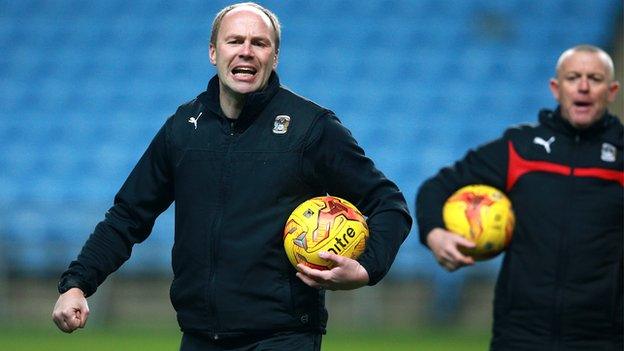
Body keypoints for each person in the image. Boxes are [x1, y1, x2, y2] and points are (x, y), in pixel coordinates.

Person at [51, 2, 412, 350]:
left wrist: (365, 269)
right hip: (199, 335)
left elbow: (388, 203)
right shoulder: (183, 129)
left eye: (259, 43)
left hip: (283, 337)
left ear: (274, 56)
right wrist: (77, 284)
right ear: (213, 52)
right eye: (235, 41)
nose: (246, 51)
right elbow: (128, 215)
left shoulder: (311, 128)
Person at [416, 44, 622, 350]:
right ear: (556, 87)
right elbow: (435, 188)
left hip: (603, 339)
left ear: (612, 90)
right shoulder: (519, 148)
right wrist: (435, 235)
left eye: (594, 78)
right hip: (520, 335)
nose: (583, 86)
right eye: (573, 77)